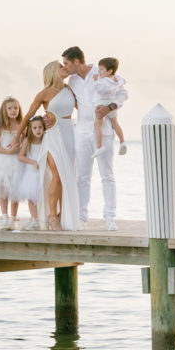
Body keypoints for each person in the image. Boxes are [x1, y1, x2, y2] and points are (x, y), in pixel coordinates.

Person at [61, 46, 128, 231]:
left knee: (107, 175)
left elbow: (122, 92)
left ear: (76, 62)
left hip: (104, 130)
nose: (65, 67)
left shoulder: (101, 72)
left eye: (67, 63)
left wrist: (111, 106)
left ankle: (109, 217)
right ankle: (82, 218)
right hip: (81, 132)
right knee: (82, 177)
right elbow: (73, 101)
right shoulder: (72, 80)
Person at [21, 62, 80, 231]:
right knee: (57, 175)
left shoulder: (69, 90)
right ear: (53, 71)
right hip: (53, 135)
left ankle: (63, 215)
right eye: (61, 66)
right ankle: (52, 217)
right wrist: (18, 136)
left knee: (68, 176)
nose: (65, 68)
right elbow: (29, 115)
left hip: (69, 133)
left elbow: (83, 107)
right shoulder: (44, 93)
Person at [0, 96, 23, 231]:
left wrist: (19, 148)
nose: (13, 111)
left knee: (14, 190)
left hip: (17, 162)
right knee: (2, 189)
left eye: (15, 108)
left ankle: (14, 219)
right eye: (10, 108)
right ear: (5, 110)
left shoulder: (21, 125)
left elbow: (25, 142)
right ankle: (5, 217)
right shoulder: (0, 126)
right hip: (3, 161)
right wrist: (9, 152)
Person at [91, 57, 127, 160]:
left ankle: (99, 147)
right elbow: (121, 89)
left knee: (98, 126)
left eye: (101, 69)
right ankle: (122, 141)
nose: (99, 71)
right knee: (115, 124)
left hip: (101, 104)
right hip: (111, 105)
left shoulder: (104, 81)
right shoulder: (116, 79)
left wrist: (95, 80)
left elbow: (100, 90)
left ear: (109, 71)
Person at [15, 116, 46, 230]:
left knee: (42, 198)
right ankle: (34, 220)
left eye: (40, 127)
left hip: (43, 174)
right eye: (35, 128)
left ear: (44, 128)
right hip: (31, 174)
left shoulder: (46, 140)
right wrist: (33, 162)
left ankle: (41, 219)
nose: (38, 130)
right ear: (30, 129)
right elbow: (20, 156)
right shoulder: (28, 141)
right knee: (31, 198)